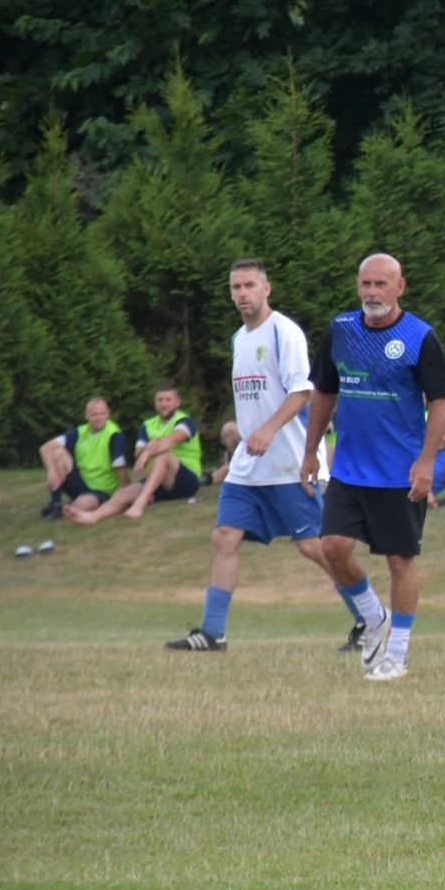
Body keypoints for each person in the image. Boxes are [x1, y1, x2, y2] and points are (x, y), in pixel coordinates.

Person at [163, 260, 359, 654]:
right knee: (224, 537)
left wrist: (268, 430)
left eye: (249, 285)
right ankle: (212, 633)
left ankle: (369, 618)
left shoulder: (284, 332)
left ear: (267, 289)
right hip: (249, 468)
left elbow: (302, 392)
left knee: (314, 548)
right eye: (236, 287)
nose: (242, 293)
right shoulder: (239, 338)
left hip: (290, 463)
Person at [301, 253, 445, 682]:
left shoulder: (420, 336)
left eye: (381, 285)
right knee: (332, 546)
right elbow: (324, 394)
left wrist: (427, 462)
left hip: (398, 473)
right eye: (365, 284)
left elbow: (440, 403)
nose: (372, 293)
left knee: (400, 562)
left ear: (400, 287)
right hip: (348, 469)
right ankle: (374, 616)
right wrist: (311, 450)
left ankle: (398, 656)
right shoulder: (341, 330)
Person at [64, 384, 203, 524]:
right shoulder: (148, 425)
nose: (164, 404)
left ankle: (140, 503)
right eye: (160, 400)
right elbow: (137, 453)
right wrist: (144, 452)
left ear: (177, 402)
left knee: (163, 455)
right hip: (158, 482)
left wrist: (147, 452)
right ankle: (92, 517)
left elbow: (172, 440)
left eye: (168, 400)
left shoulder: (185, 421)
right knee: (122, 493)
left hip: (186, 481)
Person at [38, 397, 129, 521]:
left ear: (108, 414)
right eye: (94, 414)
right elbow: (45, 448)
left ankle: (69, 507)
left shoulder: (114, 434)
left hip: (101, 490)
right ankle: (56, 504)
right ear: (86, 416)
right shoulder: (80, 432)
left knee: (78, 507)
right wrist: (52, 471)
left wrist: (126, 493)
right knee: (57, 452)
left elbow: (120, 465)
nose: (98, 418)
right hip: (80, 483)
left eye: (102, 414)